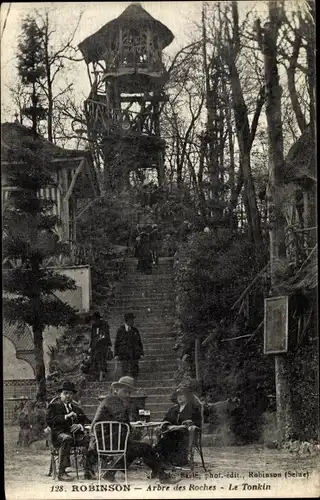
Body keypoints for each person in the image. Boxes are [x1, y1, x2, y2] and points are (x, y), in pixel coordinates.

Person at [89, 376, 178, 484]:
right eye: (125, 392)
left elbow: (121, 421)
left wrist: (130, 425)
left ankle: (111, 473)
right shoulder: (112, 400)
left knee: (140, 447)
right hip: (105, 440)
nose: (127, 395)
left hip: (110, 439)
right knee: (143, 448)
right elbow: (122, 418)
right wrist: (131, 425)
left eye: (129, 393)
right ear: (117, 390)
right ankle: (161, 475)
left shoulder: (112, 400)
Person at [46, 381, 95, 481]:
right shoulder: (54, 407)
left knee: (89, 439)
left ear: (73, 395)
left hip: (74, 437)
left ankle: (88, 470)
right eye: (65, 393)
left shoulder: (76, 409)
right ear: (61, 394)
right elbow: (49, 421)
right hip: (58, 436)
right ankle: (62, 472)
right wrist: (66, 416)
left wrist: (80, 425)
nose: (68, 396)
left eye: (71, 394)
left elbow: (86, 420)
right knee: (66, 438)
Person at [153, 386, 202, 466]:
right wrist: (168, 426)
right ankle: (160, 456)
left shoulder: (193, 408)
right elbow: (165, 421)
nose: (179, 397)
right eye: (178, 395)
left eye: (182, 395)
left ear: (187, 396)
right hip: (172, 434)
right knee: (170, 435)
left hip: (188, 435)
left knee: (171, 436)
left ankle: (155, 453)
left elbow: (196, 423)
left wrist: (178, 427)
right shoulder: (173, 409)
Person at [114, 313, 144, 381]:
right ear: (127, 321)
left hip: (133, 354)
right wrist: (116, 354)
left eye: (133, 319)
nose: (133, 321)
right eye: (131, 320)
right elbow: (117, 343)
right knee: (124, 370)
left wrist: (141, 353)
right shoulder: (120, 330)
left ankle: (134, 384)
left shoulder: (135, 330)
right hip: (124, 354)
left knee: (135, 370)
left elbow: (139, 343)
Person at [90, 312, 112, 380]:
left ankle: (102, 376)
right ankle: (96, 375)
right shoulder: (93, 325)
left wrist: (108, 345)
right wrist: (90, 346)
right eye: (94, 320)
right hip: (95, 346)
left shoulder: (104, 324)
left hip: (103, 345)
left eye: (96, 319)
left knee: (103, 359)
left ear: (99, 319)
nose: (95, 321)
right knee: (95, 359)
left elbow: (107, 335)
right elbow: (92, 337)